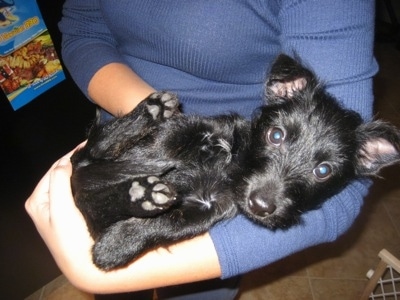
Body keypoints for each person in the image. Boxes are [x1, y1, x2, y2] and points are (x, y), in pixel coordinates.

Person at [25, 0, 378, 298]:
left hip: (212, 226)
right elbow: (84, 31)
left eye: (321, 170)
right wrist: (152, 118)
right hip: (127, 139)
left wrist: (109, 268)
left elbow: (345, 178)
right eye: (277, 138)